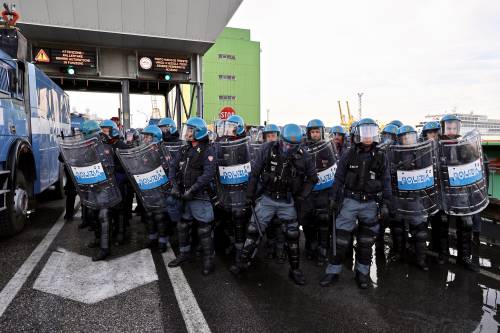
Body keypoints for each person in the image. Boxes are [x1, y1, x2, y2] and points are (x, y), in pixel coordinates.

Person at [231, 123, 318, 285]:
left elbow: (313, 179)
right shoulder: (267, 149)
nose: (287, 148)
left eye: (292, 145)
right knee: (253, 230)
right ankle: (241, 263)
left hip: (287, 200)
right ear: (280, 140)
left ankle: (295, 270)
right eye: (285, 143)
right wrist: (250, 195)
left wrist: (301, 197)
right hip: (267, 198)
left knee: (293, 235)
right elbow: (255, 173)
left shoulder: (304, 156)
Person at [320, 118, 391, 289]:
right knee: (341, 239)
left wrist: (386, 204)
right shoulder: (349, 154)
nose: (368, 137)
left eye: (371, 132)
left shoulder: (381, 156)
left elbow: (386, 180)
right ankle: (333, 271)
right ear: (356, 134)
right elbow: (339, 178)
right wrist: (333, 198)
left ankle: (362, 273)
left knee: (366, 242)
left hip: (370, 202)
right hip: (350, 200)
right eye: (364, 132)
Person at [168, 117, 217, 275]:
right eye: (187, 129)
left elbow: (208, 174)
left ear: (198, 132)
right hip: (184, 194)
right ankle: (184, 254)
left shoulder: (207, 150)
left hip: (199, 196)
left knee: (204, 229)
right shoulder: (184, 149)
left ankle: (209, 260)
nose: (187, 133)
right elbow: (173, 168)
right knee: (183, 225)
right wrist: (175, 186)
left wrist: (193, 190)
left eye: (190, 130)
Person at [213, 115, 251, 270]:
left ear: (239, 128)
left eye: (231, 126)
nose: (227, 129)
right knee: (227, 218)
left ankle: (240, 253)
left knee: (240, 219)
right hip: (226, 189)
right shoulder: (222, 143)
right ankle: (232, 244)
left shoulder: (246, 145)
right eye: (226, 126)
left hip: (241, 190)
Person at [300, 119, 337, 266]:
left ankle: (322, 250)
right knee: (308, 221)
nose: (315, 135)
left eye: (317, 132)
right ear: (309, 133)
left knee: (323, 220)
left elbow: (335, 167)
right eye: (312, 132)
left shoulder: (328, 147)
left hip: (324, 190)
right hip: (309, 192)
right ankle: (310, 245)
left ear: (321, 132)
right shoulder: (303, 148)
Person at [100, 119, 130, 246]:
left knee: (119, 209)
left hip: (119, 183)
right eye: (102, 129)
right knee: (108, 210)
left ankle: (121, 234)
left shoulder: (121, 145)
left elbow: (127, 167)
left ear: (113, 131)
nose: (103, 132)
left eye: (105, 129)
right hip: (106, 184)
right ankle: (110, 233)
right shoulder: (102, 145)